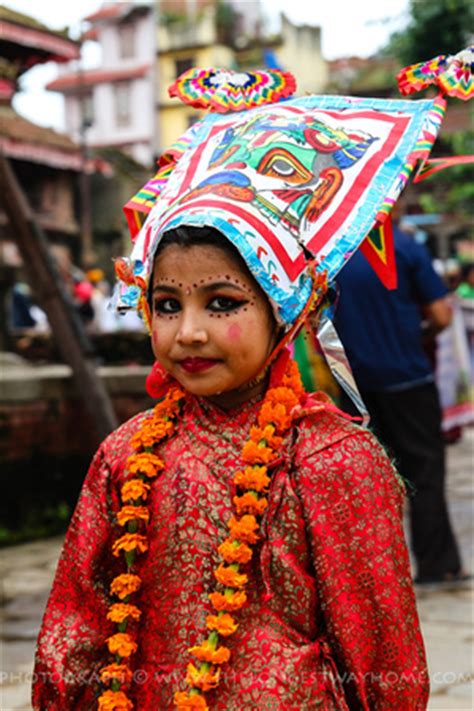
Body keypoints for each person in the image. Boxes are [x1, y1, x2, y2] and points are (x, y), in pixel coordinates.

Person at [32, 70, 433, 710]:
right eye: (166, 305)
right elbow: (73, 631)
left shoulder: (333, 463)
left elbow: (383, 660)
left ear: (287, 309)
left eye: (221, 303)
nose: (188, 332)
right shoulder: (126, 455)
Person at [333, 220, 468, 589]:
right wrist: (417, 334)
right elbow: (442, 315)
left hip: (354, 386)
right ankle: (438, 566)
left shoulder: (333, 254)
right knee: (425, 476)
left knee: (366, 485)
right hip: (408, 378)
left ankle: (373, 577)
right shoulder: (405, 247)